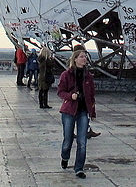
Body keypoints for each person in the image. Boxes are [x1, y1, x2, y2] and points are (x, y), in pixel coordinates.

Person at [58, 49, 97, 179]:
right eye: (81, 57)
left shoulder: (88, 76)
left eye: (85, 57)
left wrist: (92, 111)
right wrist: (71, 96)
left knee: (82, 142)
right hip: (69, 110)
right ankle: (65, 157)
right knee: (68, 140)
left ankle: (79, 168)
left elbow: (91, 95)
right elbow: (60, 92)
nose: (84, 59)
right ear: (75, 59)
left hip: (83, 111)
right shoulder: (66, 75)